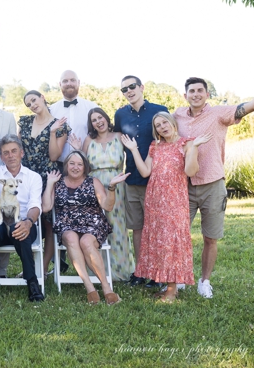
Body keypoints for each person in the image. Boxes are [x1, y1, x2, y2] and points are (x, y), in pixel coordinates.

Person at [172, 53, 254, 299]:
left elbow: (252, 105)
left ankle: (204, 281)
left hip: (213, 185)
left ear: (207, 94)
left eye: (200, 90)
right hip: (184, 185)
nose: (196, 94)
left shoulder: (219, 114)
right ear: (185, 95)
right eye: (192, 91)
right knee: (179, 235)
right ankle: (179, 278)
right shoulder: (177, 115)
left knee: (210, 238)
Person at [122, 114, 209, 303]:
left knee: (172, 242)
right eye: (158, 125)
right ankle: (168, 285)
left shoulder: (186, 143)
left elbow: (190, 171)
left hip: (174, 201)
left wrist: (194, 148)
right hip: (154, 201)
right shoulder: (155, 146)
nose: (162, 127)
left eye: (164, 122)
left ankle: (172, 290)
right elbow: (145, 172)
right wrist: (134, 150)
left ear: (172, 123)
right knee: (160, 242)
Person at [43, 152, 128, 305]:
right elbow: (46, 207)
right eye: (72, 163)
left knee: (86, 242)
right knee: (70, 238)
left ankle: (106, 288)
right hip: (66, 223)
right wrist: (49, 183)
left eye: (79, 164)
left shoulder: (93, 181)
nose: (75, 167)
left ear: (85, 167)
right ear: (66, 165)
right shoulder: (58, 182)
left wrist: (111, 187)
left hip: (92, 222)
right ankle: (90, 288)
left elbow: (107, 206)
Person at [0, 133, 46, 302]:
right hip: (0, 223)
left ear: (21, 153)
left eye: (14, 151)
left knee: (20, 230)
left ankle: (32, 283)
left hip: (24, 222)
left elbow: (35, 205)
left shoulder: (33, 177)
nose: (10, 155)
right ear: (1, 156)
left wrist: (28, 222)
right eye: (6, 153)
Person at [113, 75, 170, 287]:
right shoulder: (120, 115)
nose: (129, 91)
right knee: (137, 228)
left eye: (132, 86)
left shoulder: (159, 110)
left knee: (154, 228)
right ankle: (140, 271)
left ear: (141, 87)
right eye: (124, 89)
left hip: (155, 180)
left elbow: (169, 140)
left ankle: (157, 273)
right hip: (131, 179)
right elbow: (117, 144)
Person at [69, 107, 135, 281]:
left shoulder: (119, 136)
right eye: (94, 120)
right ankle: (98, 270)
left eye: (100, 118)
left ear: (106, 118)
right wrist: (78, 150)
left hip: (117, 186)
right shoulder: (89, 140)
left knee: (117, 226)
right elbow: (83, 164)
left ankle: (121, 270)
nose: (98, 122)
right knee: (96, 227)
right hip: (94, 186)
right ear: (91, 124)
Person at [18, 90, 67, 275]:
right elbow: (19, 149)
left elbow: (54, 156)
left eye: (34, 100)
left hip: (48, 176)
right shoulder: (24, 122)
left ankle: (44, 267)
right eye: (28, 104)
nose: (32, 105)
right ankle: (30, 266)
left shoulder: (60, 125)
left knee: (48, 224)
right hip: (26, 176)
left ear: (42, 98)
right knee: (27, 218)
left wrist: (53, 132)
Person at [50, 70, 98, 160]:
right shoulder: (51, 110)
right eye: (65, 81)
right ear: (60, 84)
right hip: (59, 164)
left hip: (86, 162)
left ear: (78, 83)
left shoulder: (92, 107)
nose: (69, 83)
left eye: (72, 80)